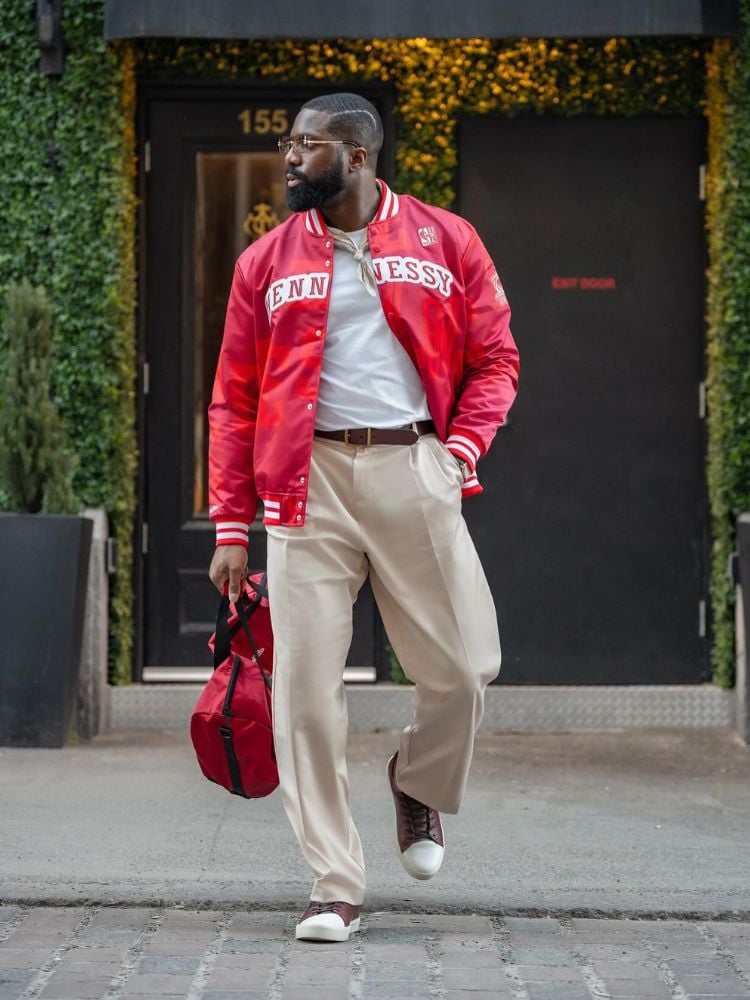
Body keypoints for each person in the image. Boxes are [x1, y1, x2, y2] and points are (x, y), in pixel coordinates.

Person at [208, 92, 519, 943]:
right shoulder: (265, 261)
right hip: (304, 485)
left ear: (356, 157)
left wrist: (460, 452)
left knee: (465, 666)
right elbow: (232, 401)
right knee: (305, 696)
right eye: (289, 141)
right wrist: (232, 525)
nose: (288, 158)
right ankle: (333, 885)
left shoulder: (445, 239)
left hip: (416, 467)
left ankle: (416, 782)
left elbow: (496, 359)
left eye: (306, 146)